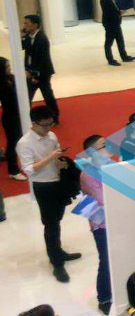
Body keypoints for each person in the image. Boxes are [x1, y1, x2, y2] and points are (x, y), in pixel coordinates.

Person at [16, 106, 81, 283]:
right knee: (50, 224)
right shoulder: (24, 143)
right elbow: (29, 170)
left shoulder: (52, 136)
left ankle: (58, 251)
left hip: (58, 182)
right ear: (34, 123)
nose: (48, 128)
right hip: (43, 186)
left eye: (50, 124)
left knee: (57, 220)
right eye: (44, 125)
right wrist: (51, 157)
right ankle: (56, 262)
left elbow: (57, 155)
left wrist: (60, 162)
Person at [80, 136, 112, 316]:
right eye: (103, 146)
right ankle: (104, 299)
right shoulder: (88, 174)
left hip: (114, 219)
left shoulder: (110, 166)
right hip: (101, 223)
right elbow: (103, 199)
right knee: (106, 260)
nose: (108, 148)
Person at [21, 14, 59, 124]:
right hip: (31, 72)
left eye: (27, 23)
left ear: (35, 25)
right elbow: (23, 47)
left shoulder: (42, 39)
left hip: (42, 73)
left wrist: (35, 75)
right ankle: (26, 118)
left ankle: (54, 117)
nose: (25, 25)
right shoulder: (29, 37)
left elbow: (43, 60)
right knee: (28, 96)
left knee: (47, 96)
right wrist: (21, 36)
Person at [0, 56, 26, 180]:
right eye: (7, 67)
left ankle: (10, 158)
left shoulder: (10, 78)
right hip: (11, 117)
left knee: (14, 141)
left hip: (16, 115)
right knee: (14, 143)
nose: (10, 69)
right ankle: (13, 170)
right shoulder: (2, 84)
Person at [100, 0, 135, 67]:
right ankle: (110, 60)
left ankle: (124, 57)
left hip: (116, 23)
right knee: (109, 43)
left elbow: (115, 7)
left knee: (120, 41)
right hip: (110, 24)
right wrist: (119, 12)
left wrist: (119, 11)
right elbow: (109, 12)